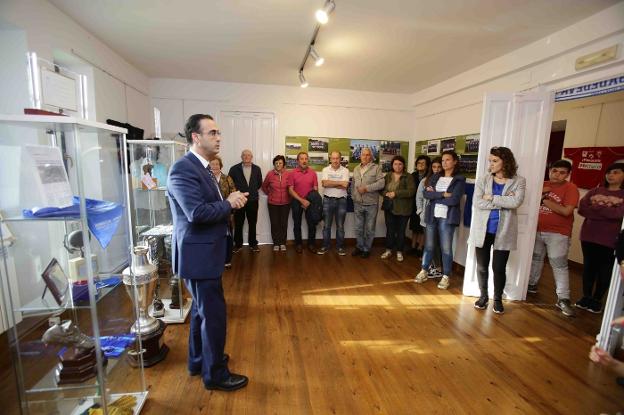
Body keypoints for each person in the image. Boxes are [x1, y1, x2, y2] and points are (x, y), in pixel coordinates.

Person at [168, 114, 249, 391]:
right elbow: (197, 213)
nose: (218, 137)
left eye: (218, 132)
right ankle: (215, 374)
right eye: (212, 132)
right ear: (196, 137)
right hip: (198, 257)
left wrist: (229, 202)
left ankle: (197, 360)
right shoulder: (183, 169)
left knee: (202, 313)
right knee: (213, 315)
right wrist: (229, 203)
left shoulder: (202, 168)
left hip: (204, 254)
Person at [469, 147, 526, 314]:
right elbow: (478, 203)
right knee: (482, 266)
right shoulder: (483, 180)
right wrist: (504, 201)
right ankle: (483, 296)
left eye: (495, 161)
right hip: (482, 229)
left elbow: (516, 202)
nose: (491, 164)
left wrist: (492, 197)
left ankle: (498, 299)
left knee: (499, 267)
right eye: (490, 161)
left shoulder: (519, 181)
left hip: (504, 231)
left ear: (505, 162)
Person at [527, 160, 579, 317]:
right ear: (549, 170)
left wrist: (543, 200)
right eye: (555, 171)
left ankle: (563, 298)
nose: (557, 174)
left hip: (558, 233)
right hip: (536, 229)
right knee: (535, 258)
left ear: (568, 175)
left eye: (562, 172)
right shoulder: (542, 184)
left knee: (558, 264)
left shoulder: (571, 188)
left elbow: (566, 211)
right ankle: (531, 285)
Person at [576, 162, 624, 313]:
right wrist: (607, 211)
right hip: (589, 236)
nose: (611, 175)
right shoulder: (595, 190)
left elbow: (618, 215)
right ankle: (586, 297)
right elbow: (582, 209)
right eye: (609, 172)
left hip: (610, 239)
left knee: (605, 270)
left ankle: (597, 299)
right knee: (589, 268)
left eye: (616, 172)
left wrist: (596, 209)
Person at [415, 150, 466, 290]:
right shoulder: (436, 176)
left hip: (447, 217)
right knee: (429, 245)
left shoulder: (459, 179)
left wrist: (435, 196)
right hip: (432, 215)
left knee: (446, 248)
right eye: (443, 160)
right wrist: (444, 194)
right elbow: (426, 194)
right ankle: (424, 270)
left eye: (447, 160)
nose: (444, 163)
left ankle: (446, 276)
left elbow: (454, 200)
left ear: (455, 161)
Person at [351, 147, 385, 258]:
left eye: (367, 155)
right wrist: (353, 196)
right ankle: (360, 246)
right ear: (360, 156)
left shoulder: (376, 168)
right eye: (363, 155)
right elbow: (353, 185)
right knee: (358, 228)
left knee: (370, 228)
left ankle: (367, 249)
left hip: (371, 204)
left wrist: (366, 188)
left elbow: (381, 183)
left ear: (371, 156)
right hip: (358, 203)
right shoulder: (356, 168)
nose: (365, 157)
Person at [380, 155, 415, 262]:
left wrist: (396, 193)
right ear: (392, 165)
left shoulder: (408, 177)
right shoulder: (388, 175)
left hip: (403, 209)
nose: (398, 166)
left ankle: (399, 251)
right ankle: (388, 250)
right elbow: (381, 189)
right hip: (389, 207)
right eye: (395, 164)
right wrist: (387, 194)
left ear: (403, 165)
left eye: (400, 164)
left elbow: (411, 191)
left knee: (400, 231)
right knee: (390, 230)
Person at [228, 149, 262, 253]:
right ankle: (238, 244)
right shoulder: (234, 169)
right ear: (241, 157)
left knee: (252, 222)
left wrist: (252, 190)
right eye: (244, 155)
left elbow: (259, 183)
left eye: (248, 155)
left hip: (253, 200)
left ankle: (253, 244)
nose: (246, 157)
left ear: (251, 157)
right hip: (238, 201)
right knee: (238, 223)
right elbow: (230, 184)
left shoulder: (257, 169)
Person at [318, 151, 350, 255]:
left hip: (342, 200)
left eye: (337, 158)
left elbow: (345, 186)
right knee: (326, 225)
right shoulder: (325, 170)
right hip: (327, 200)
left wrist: (330, 183)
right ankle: (325, 246)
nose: (335, 160)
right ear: (330, 159)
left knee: (340, 226)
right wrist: (340, 182)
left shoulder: (345, 170)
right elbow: (324, 183)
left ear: (340, 159)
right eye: (333, 158)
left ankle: (340, 247)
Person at [416, 157, 443, 278]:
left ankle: (437, 267)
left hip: (441, 217)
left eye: (439, 167)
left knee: (438, 244)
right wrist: (420, 211)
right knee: (429, 244)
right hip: (427, 217)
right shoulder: (425, 181)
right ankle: (429, 266)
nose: (436, 169)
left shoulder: (445, 181)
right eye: (434, 167)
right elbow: (419, 198)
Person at [288, 152, 319, 253]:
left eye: (306, 159)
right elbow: (290, 190)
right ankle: (298, 244)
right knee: (297, 224)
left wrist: (309, 201)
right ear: (297, 161)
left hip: (310, 202)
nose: (304, 161)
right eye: (301, 159)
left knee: (312, 224)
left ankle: (311, 244)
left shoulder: (313, 173)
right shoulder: (292, 173)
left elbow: (315, 189)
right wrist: (302, 200)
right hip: (297, 201)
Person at [209, 156, 237, 268]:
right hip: (211, 213)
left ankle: (227, 260)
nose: (214, 166)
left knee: (227, 236)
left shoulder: (227, 178)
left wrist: (231, 213)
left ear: (220, 166)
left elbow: (234, 194)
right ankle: (214, 260)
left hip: (226, 212)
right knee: (213, 237)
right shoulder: (206, 179)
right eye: (212, 164)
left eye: (216, 164)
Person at [261, 155, 291, 251]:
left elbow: (291, 187)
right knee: (274, 224)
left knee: (283, 223)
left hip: (286, 203)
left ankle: (282, 243)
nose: (278, 164)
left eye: (280, 163)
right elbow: (264, 186)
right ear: (274, 164)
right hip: (273, 203)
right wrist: (270, 194)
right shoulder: (270, 174)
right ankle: (276, 243)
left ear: (283, 164)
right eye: (276, 163)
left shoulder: (288, 174)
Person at [409, 155, 431, 256]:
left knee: (422, 227)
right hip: (413, 204)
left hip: (425, 205)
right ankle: (412, 246)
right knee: (414, 227)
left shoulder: (429, 176)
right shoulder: (413, 175)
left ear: (427, 165)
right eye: (418, 163)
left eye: (423, 163)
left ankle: (420, 247)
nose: (420, 165)